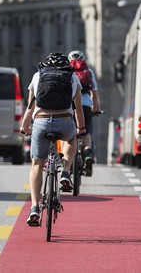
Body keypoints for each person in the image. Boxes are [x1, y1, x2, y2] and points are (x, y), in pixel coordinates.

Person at [20, 53, 86, 226]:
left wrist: (24, 127)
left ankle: (34, 207)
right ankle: (65, 171)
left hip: (40, 123)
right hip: (64, 121)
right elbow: (78, 110)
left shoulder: (37, 76)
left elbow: (29, 108)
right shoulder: (73, 77)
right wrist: (82, 129)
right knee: (72, 139)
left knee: (37, 164)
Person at [68, 50, 101, 176]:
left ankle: (68, 160)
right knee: (86, 131)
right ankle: (87, 153)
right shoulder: (89, 71)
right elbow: (95, 95)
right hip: (86, 105)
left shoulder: (67, 71)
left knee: (70, 133)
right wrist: (96, 109)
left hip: (70, 104)